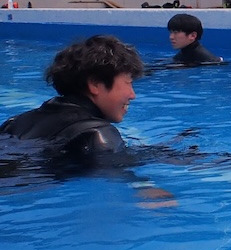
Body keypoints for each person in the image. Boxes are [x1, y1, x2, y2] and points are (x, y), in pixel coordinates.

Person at [1, 35, 144, 159]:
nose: (132, 95)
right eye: (128, 83)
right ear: (95, 84)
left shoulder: (14, 124)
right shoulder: (97, 135)